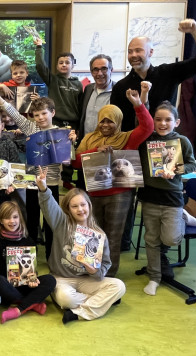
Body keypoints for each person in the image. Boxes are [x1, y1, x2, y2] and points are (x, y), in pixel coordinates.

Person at [74, 86, 153, 277]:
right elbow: (76, 162)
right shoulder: (89, 138)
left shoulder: (127, 138)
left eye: (110, 121)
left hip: (119, 195)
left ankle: (108, 275)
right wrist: (95, 151)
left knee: (113, 236)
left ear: (118, 121)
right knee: (90, 233)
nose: (106, 125)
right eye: (103, 121)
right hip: (92, 193)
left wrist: (138, 104)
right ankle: (89, 271)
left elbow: (148, 127)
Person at [0, 89, 77, 259]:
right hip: (31, 182)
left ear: (52, 112)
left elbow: (68, 161)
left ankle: (51, 256)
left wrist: (72, 142)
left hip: (51, 183)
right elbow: (14, 114)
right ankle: (29, 255)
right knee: (30, 219)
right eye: (36, 115)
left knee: (51, 220)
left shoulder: (62, 133)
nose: (40, 118)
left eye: (44, 114)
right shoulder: (31, 128)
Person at [37, 167, 126, 323]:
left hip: (87, 280)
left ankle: (78, 313)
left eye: (83, 205)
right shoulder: (61, 222)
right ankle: (101, 302)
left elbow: (104, 266)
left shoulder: (99, 234)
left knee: (119, 286)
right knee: (66, 300)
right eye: (74, 206)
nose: (80, 209)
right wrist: (43, 188)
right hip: (61, 277)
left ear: (89, 206)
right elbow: (49, 206)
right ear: (68, 209)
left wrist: (95, 271)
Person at [111, 19, 196, 132]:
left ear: (151, 52)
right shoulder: (120, 87)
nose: (133, 55)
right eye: (130, 51)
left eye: (138, 50)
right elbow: (116, 123)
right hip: (134, 145)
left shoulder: (168, 73)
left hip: (165, 144)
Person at [138, 101, 196, 296]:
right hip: (149, 197)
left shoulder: (182, 141)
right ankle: (155, 277)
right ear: (152, 120)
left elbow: (191, 165)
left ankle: (182, 217)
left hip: (172, 198)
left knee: (170, 238)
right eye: (158, 119)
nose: (163, 123)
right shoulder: (146, 139)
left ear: (176, 122)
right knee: (152, 239)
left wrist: (176, 170)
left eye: (168, 120)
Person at [0, 200, 56, 324]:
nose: (12, 221)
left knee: (50, 280)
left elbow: (31, 267)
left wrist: (33, 278)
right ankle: (32, 304)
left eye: (15, 217)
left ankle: (19, 307)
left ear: (20, 218)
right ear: (0, 220)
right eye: (7, 218)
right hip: (5, 286)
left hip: (23, 285)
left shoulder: (28, 240)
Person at [35, 44, 82, 130]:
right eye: (61, 63)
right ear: (57, 66)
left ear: (73, 65)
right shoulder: (52, 80)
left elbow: (81, 106)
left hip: (73, 125)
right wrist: (39, 47)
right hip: (55, 123)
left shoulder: (78, 84)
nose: (64, 65)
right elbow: (40, 66)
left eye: (67, 62)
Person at [79, 54, 115, 140]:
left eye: (104, 69)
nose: (99, 73)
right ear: (91, 72)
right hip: (86, 143)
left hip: (106, 146)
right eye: (95, 69)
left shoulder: (118, 91)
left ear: (111, 70)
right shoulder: (88, 89)